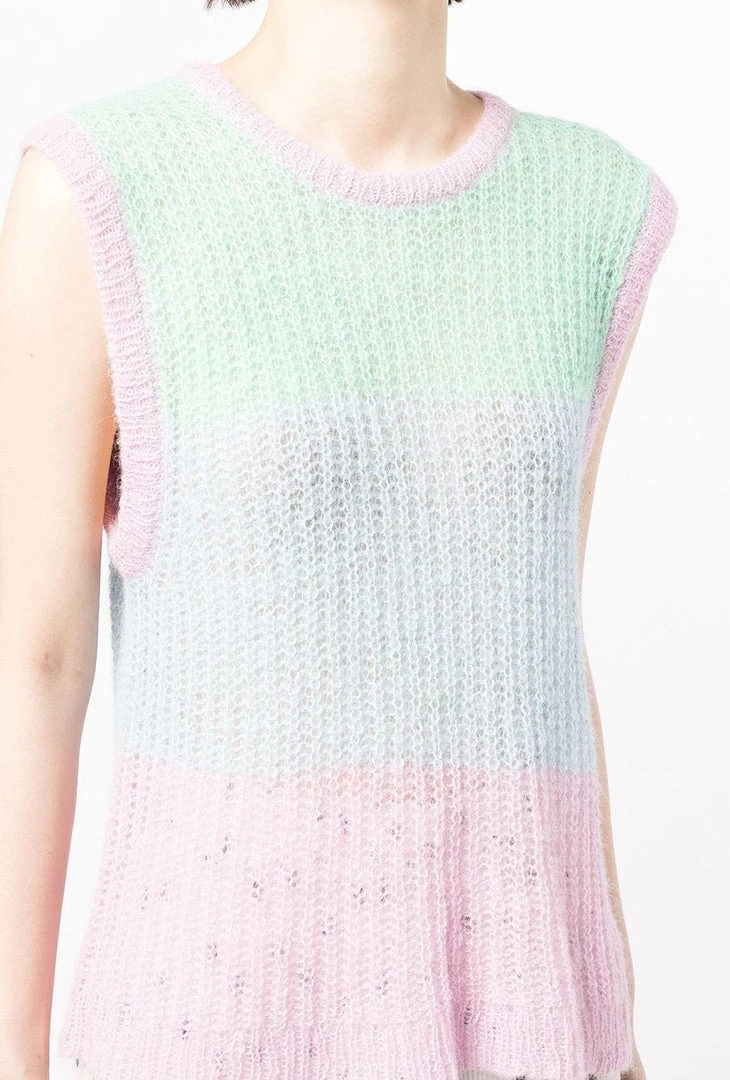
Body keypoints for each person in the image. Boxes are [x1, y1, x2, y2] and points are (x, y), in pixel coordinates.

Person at [0, 2, 677, 1080]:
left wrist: (612, 1025)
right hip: (212, 1027)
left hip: (521, 1030)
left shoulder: (594, 207)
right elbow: (36, 660)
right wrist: (14, 1052)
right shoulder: (99, 189)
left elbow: (540, 636)